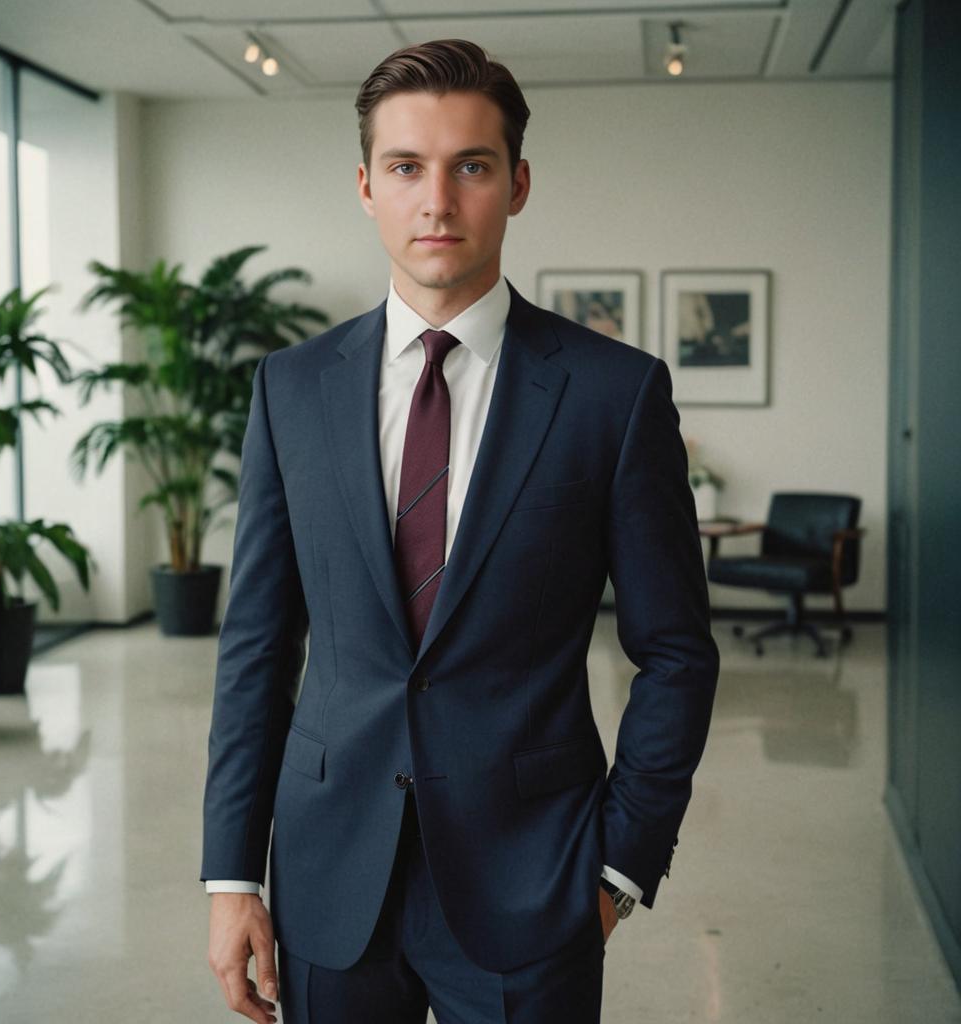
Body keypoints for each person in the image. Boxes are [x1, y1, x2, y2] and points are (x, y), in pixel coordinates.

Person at [201, 38, 719, 1024]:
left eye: (470, 167)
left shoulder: (613, 395)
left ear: (516, 183)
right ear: (365, 185)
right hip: (327, 874)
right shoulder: (290, 389)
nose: (436, 199)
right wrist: (232, 874)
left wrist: (618, 865)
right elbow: (256, 649)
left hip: (536, 879)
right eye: (405, 167)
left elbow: (675, 655)